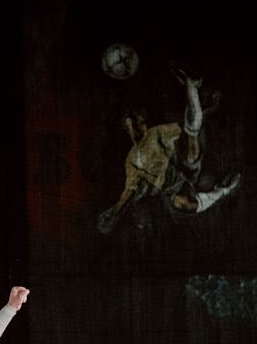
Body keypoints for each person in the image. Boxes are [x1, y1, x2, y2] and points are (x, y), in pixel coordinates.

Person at [98, 64, 240, 234]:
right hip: (173, 187)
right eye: (132, 125)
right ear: (127, 129)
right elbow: (129, 191)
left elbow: (187, 127)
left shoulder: (155, 133)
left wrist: (200, 106)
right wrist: (115, 212)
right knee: (183, 203)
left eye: (140, 123)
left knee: (192, 148)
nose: (138, 128)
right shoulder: (132, 159)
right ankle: (223, 189)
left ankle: (191, 86)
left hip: (183, 168)